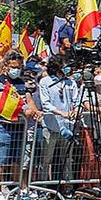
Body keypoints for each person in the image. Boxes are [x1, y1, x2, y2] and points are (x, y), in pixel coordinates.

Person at [35, 57, 82, 188]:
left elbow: (76, 99)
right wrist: (61, 113)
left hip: (68, 125)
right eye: (65, 66)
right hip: (51, 125)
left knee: (67, 158)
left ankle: (68, 187)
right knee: (46, 159)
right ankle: (43, 188)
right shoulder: (46, 81)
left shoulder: (70, 82)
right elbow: (46, 103)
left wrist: (75, 109)